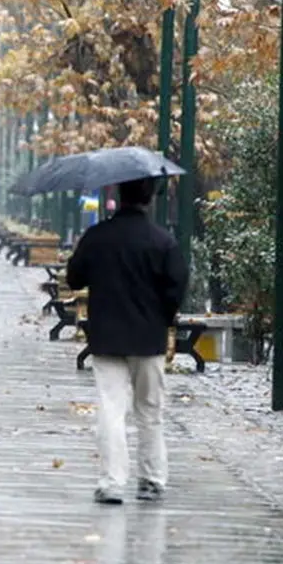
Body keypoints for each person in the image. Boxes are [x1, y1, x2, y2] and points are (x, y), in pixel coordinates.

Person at [65, 177, 188, 505]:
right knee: (149, 410)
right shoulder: (162, 241)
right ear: (149, 200)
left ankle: (112, 482)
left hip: (107, 336)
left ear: (119, 195)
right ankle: (151, 478)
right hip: (149, 338)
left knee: (111, 409)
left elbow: (74, 278)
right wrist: (162, 316)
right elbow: (176, 287)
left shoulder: (97, 237)